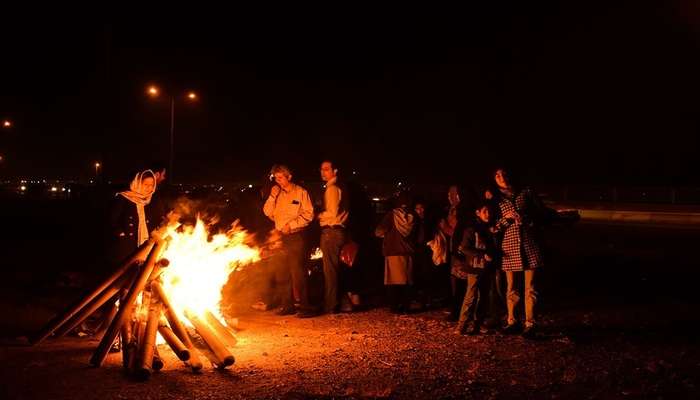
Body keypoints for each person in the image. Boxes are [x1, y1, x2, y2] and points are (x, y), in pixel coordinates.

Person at [491, 167, 545, 337]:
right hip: (509, 247)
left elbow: (541, 214)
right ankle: (512, 321)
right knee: (511, 287)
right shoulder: (496, 199)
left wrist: (528, 220)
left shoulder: (526, 192)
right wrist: (506, 219)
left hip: (529, 245)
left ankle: (530, 323)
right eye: (498, 175)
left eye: (504, 173)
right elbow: (492, 227)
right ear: (494, 179)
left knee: (531, 288)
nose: (502, 177)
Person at [262, 164, 317, 318]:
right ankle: (288, 305)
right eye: (276, 178)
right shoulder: (277, 193)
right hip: (280, 237)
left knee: (298, 272)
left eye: (280, 177)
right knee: (282, 272)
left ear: (289, 177)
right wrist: (272, 196)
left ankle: (305, 307)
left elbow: (309, 214)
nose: (278, 181)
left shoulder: (301, 193)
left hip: (295, 237)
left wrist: (291, 225)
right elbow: (267, 212)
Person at [454, 201, 498, 335]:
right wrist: (482, 255)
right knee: (471, 296)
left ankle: (478, 324)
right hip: (474, 267)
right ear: (477, 213)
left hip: (487, 268)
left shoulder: (491, 229)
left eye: (489, 211)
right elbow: (464, 248)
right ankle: (462, 326)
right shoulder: (472, 229)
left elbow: (494, 248)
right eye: (484, 211)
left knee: (483, 297)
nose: (488, 214)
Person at [318, 160, 351, 313]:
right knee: (337, 270)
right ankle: (344, 302)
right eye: (321, 169)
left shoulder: (331, 189)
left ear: (335, 171)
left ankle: (331, 305)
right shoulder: (342, 187)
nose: (322, 172)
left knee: (330, 271)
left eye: (326, 169)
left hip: (331, 232)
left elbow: (332, 213)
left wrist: (318, 215)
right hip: (340, 232)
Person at [375, 192, 415, 314]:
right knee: (406, 281)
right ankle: (406, 306)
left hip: (393, 251)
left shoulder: (392, 215)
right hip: (408, 253)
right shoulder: (413, 216)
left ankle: (395, 307)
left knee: (393, 282)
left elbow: (379, 231)